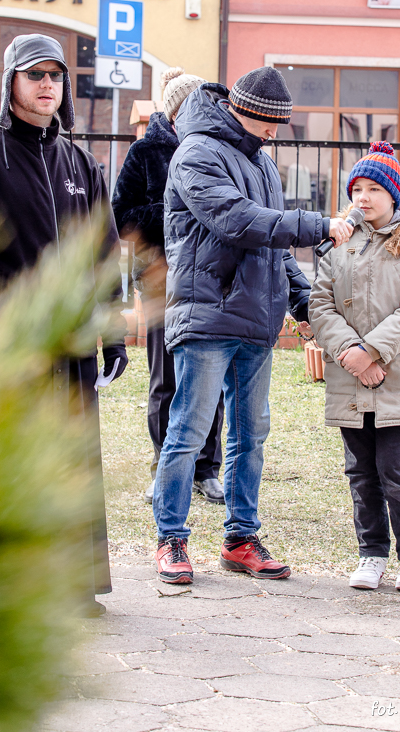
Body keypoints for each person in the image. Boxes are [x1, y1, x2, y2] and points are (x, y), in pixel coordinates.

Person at [0, 34, 128, 614]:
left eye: (55, 75)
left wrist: (112, 330)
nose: (47, 85)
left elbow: (103, 254)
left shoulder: (82, 164)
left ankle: (72, 584)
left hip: (70, 347)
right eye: (34, 74)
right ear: (10, 83)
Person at [153, 66, 354, 584]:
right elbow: (238, 220)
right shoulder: (195, 153)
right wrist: (317, 225)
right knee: (189, 432)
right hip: (207, 316)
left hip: (256, 322)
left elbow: (274, 244)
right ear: (246, 111)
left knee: (251, 436)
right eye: (270, 123)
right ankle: (171, 539)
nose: (274, 132)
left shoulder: (261, 161)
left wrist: (305, 303)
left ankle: (240, 539)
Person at [309, 142, 400, 593]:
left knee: (396, 470)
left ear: (393, 194)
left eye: (373, 189)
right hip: (350, 374)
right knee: (360, 471)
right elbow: (319, 303)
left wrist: (373, 352)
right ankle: (372, 553)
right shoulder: (341, 240)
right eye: (356, 189)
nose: (362, 198)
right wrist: (351, 351)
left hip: (398, 374)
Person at [112, 68, 225, 506]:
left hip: (211, 278)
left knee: (211, 376)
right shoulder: (145, 151)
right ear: (176, 111)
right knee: (166, 378)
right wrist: (175, 210)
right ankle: (163, 466)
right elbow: (121, 215)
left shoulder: (220, 148)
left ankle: (206, 469)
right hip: (160, 279)